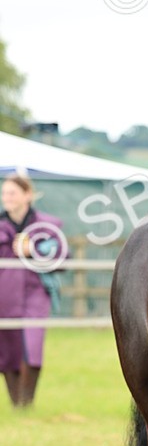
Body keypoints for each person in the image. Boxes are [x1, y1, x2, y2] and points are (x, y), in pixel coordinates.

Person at [0, 174, 66, 407]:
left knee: (32, 346)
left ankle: (26, 403)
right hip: (4, 295)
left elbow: (62, 258)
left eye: (12, 193)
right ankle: (16, 404)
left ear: (27, 195)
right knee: (7, 350)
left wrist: (34, 249)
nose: (6, 198)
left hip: (35, 292)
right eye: (4, 193)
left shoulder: (47, 226)